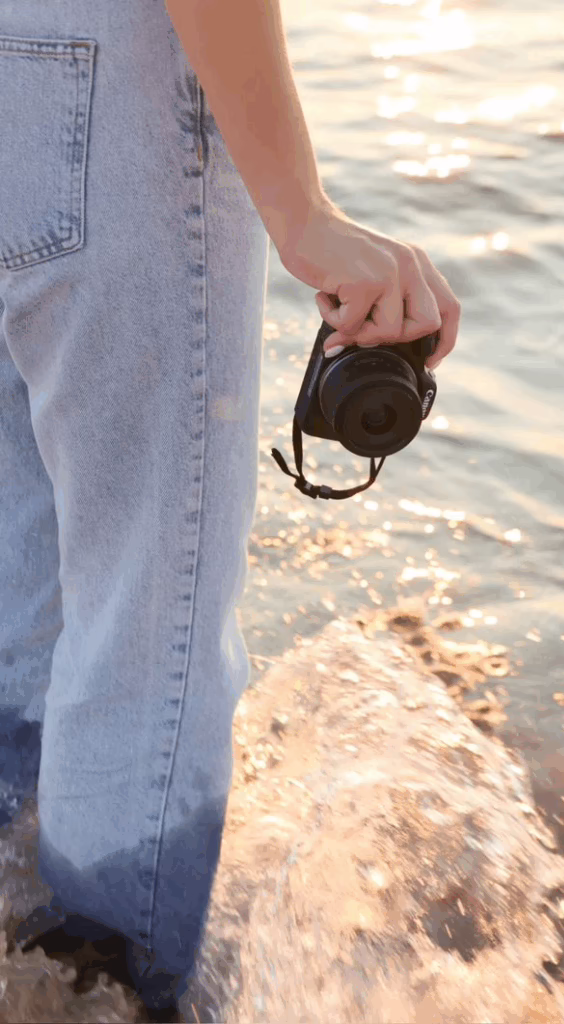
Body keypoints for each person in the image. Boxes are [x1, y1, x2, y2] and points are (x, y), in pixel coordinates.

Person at [0, 0, 460, 1021]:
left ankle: (25, 945)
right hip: (108, 86)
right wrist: (301, 211)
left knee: (20, 589)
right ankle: (104, 990)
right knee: (144, 625)